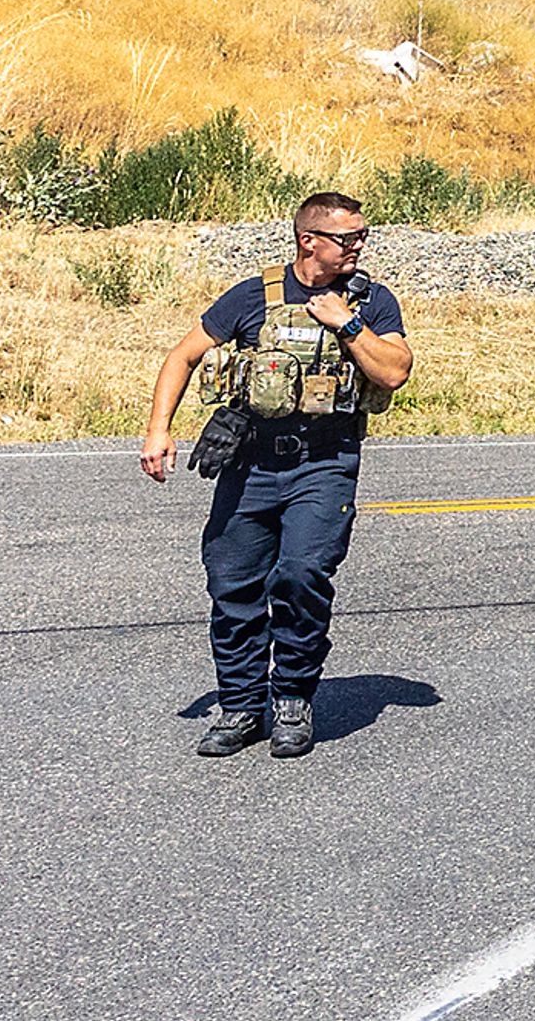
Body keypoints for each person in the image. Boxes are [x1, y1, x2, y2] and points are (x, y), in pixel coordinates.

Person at [138, 190, 413, 760]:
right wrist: (158, 430)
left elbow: (395, 372)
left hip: (325, 464)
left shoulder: (371, 301)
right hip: (250, 464)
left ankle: (291, 697)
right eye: (348, 238)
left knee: (301, 576)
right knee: (232, 584)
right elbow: (182, 355)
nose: (359, 245)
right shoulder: (253, 297)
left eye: (363, 235)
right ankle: (240, 705)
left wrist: (348, 323)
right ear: (309, 240)